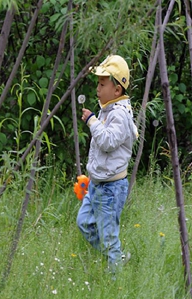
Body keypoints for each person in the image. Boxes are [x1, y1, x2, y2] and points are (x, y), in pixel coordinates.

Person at [76, 55, 138, 272]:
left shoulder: (120, 114)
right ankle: (116, 257)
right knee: (84, 223)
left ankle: (115, 280)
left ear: (117, 90)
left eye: (102, 84)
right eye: (97, 84)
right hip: (97, 184)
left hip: (111, 189)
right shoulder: (108, 110)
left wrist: (92, 121)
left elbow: (108, 141)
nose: (97, 89)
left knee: (109, 235)